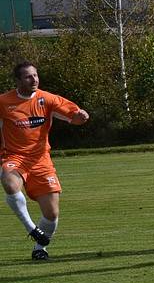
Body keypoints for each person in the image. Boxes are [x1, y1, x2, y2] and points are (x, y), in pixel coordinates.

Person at [1, 62, 89, 261]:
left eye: (35, 75)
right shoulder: (4, 102)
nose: (34, 80)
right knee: (9, 182)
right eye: (28, 77)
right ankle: (31, 228)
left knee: (51, 213)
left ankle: (40, 248)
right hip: (14, 157)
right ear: (17, 81)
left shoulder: (47, 99)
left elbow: (73, 117)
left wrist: (81, 117)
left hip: (41, 161)